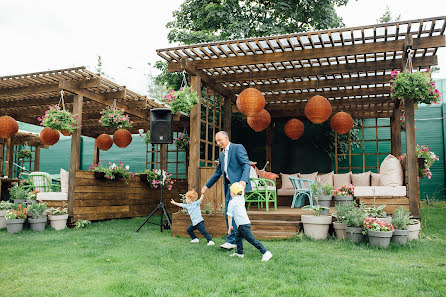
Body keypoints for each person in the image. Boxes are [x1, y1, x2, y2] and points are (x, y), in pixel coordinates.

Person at [201, 131, 252, 250]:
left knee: (231, 213)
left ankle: (232, 240)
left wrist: (243, 181)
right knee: (232, 213)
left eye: (220, 140)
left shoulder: (237, 148)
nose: (218, 143)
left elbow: (246, 165)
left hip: (238, 187)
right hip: (229, 187)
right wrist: (206, 186)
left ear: (227, 138)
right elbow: (218, 172)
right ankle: (236, 239)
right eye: (216, 141)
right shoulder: (222, 155)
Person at [227, 182, 272, 261]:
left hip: (243, 225)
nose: (230, 193)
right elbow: (242, 190)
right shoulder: (241, 198)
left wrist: (230, 226)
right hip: (244, 223)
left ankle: (265, 252)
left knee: (251, 240)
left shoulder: (232, 202)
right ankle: (239, 253)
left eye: (230, 191)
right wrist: (241, 185)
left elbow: (229, 216)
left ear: (233, 193)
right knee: (237, 238)